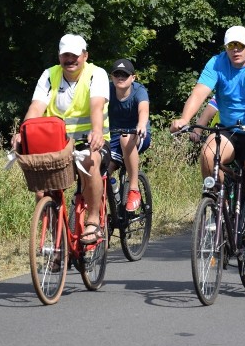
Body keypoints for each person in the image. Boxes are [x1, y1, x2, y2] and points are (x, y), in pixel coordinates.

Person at [170, 25, 245, 278]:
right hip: (229, 129)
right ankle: (216, 203)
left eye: (240, 45)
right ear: (226, 47)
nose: (236, 50)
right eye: (231, 46)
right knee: (208, 153)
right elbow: (200, 92)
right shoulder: (217, 63)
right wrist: (185, 119)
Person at [11, 34, 110, 245]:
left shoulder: (96, 74)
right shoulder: (49, 75)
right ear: (59, 56)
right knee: (42, 189)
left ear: (85, 56)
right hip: (57, 144)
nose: (70, 60)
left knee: (90, 161)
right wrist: (24, 132)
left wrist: (96, 131)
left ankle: (93, 221)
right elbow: (36, 107)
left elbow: (96, 106)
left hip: (89, 140)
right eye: (66, 55)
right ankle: (58, 242)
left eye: (75, 55)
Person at [108, 58, 151, 211]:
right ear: (112, 77)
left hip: (137, 134)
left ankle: (134, 189)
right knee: (102, 172)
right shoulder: (106, 91)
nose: (120, 77)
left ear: (133, 77)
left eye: (125, 75)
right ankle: (110, 206)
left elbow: (143, 109)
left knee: (125, 139)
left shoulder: (139, 91)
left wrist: (141, 124)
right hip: (113, 136)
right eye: (117, 74)